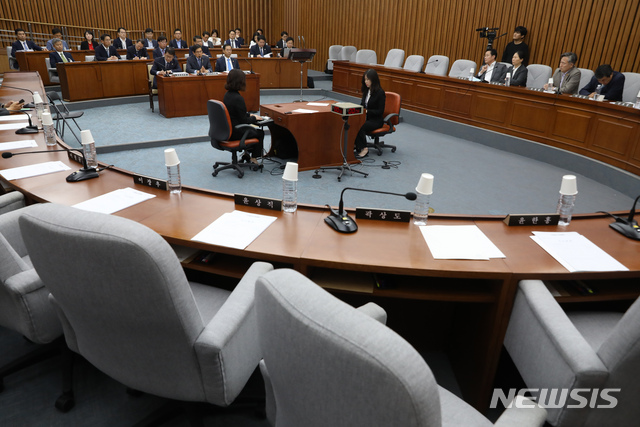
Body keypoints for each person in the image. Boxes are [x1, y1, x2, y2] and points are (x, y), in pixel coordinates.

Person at [223, 68, 264, 164]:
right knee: (259, 133)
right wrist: (254, 118)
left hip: (227, 130)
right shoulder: (238, 98)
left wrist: (249, 114)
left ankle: (246, 154)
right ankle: (254, 158)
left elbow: (235, 113)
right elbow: (244, 121)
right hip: (235, 132)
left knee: (250, 130)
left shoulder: (227, 95)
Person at [354, 69, 385, 158]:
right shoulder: (366, 91)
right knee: (352, 122)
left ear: (373, 80)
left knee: (360, 126)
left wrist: (367, 111)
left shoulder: (380, 93)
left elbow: (380, 111)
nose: (366, 82)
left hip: (376, 120)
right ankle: (356, 145)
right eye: (365, 80)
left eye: (368, 79)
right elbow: (362, 105)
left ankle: (364, 149)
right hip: (366, 118)